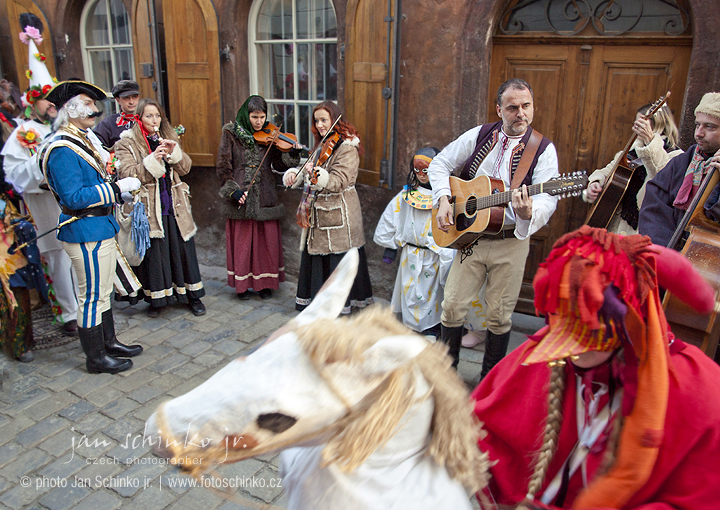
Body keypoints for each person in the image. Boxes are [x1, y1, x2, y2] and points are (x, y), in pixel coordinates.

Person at [471, 226, 720, 509]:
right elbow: (479, 428)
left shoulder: (700, 391)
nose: (571, 351)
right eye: (560, 319)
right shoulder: (540, 356)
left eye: (587, 329)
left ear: (628, 318)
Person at [428, 78, 559, 373]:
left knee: (499, 316)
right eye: (513, 108)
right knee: (451, 307)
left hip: (510, 241)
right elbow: (439, 164)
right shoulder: (479, 135)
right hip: (470, 239)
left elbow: (548, 199)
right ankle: (447, 377)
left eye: (526, 106)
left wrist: (528, 213)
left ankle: (490, 379)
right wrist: (444, 198)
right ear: (498, 109)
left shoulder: (542, 149)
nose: (521, 113)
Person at [39, 80, 144, 374]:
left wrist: (116, 191)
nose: (94, 110)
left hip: (99, 225)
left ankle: (108, 343)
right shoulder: (62, 148)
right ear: (68, 109)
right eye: (86, 104)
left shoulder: (82, 139)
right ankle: (96, 357)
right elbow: (73, 197)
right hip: (83, 229)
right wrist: (115, 189)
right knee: (91, 297)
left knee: (103, 292)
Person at [2, 26, 80, 336]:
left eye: (54, 99)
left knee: (78, 256)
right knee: (58, 260)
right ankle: (68, 312)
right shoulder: (23, 135)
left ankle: (86, 305)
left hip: (73, 204)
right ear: (33, 101)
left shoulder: (65, 128)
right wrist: (44, 172)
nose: (52, 104)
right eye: (46, 99)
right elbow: (15, 173)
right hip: (45, 207)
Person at [114, 98, 206, 317]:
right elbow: (127, 174)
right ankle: (158, 300)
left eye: (157, 116)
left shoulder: (168, 137)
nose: (154, 120)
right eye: (148, 116)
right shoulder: (126, 143)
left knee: (182, 252)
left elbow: (185, 169)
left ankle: (191, 297)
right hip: (149, 208)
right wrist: (152, 160)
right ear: (139, 117)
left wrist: (174, 154)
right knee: (157, 256)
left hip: (174, 204)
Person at [283, 101, 373, 314]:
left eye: (324, 120)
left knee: (336, 261)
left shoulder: (348, 147)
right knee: (317, 259)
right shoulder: (322, 144)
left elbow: (340, 180)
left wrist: (320, 177)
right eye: (317, 121)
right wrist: (295, 175)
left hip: (340, 216)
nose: (320, 125)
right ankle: (319, 305)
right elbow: (309, 169)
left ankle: (339, 308)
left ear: (335, 120)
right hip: (319, 216)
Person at [216, 95, 301, 300]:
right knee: (243, 242)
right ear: (247, 114)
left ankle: (265, 284)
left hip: (265, 193)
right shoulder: (230, 133)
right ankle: (243, 286)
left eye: (262, 117)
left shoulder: (269, 134)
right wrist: (233, 191)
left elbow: (279, 165)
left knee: (265, 242)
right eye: (254, 117)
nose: (259, 122)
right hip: (241, 193)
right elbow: (223, 166)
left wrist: (293, 154)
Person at [373, 147, 454, 337]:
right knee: (409, 291)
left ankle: (431, 328)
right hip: (410, 254)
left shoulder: (446, 196)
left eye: (426, 170)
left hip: (434, 255)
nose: (421, 175)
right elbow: (391, 217)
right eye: (417, 170)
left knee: (431, 294)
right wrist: (390, 245)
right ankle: (409, 326)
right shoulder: (407, 194)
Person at [585, 103, 682, 235]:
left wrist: (650, 142)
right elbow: (607, 171)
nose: (635, 127)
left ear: (658, 124)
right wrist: (595, 183)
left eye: (641, 123)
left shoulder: (676, 156)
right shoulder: (632, 150)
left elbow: (661, 177)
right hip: (613, 226)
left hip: (644, 231)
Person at [639, 92, 720, 247]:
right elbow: (654, 208)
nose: (699, 133)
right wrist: (667, 253)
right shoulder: (681, 163)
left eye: (710, 127)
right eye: (698, 125)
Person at [93, 80, 140, 149]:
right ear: (118, 100)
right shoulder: (107, 124)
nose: (131, 102)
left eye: (134, 97)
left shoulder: (147, 119)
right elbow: (96, 146)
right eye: (126, 98)